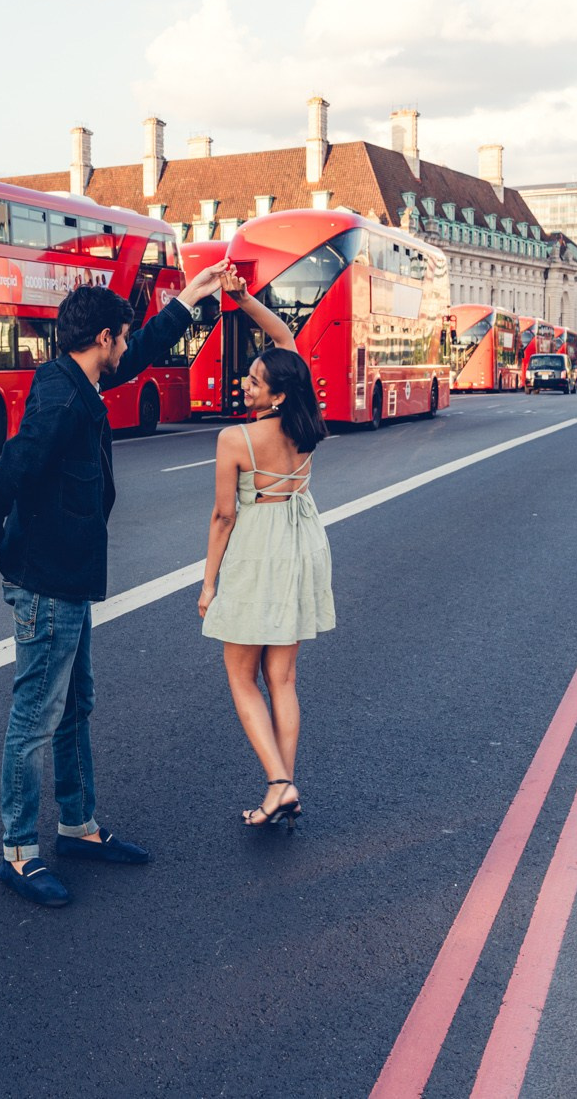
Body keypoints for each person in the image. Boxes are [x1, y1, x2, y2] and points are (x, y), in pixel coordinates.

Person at [0, 262, 229, 908]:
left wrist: (188, 299)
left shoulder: (79, 377)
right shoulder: (59, 397)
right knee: (36, 714)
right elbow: (7, 473)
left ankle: (77, 825)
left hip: (67, 580)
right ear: (101, 336)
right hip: (47, 583)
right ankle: (18, 852)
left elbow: (140, 354)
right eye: (120, 337)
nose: (124, 348)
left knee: (74, 705)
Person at [200, 268, 334, 831]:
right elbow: (285, 342)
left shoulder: (237, 438)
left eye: (255, 382)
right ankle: (284, 785)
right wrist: (244, 299)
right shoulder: (302, 420)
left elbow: (224, 517)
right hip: (301, 543)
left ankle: (279, 783)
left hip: (257, 549)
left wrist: (209, 584)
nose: (245, 385)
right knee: (282, 679)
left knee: (239, 675)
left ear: (277, 392)